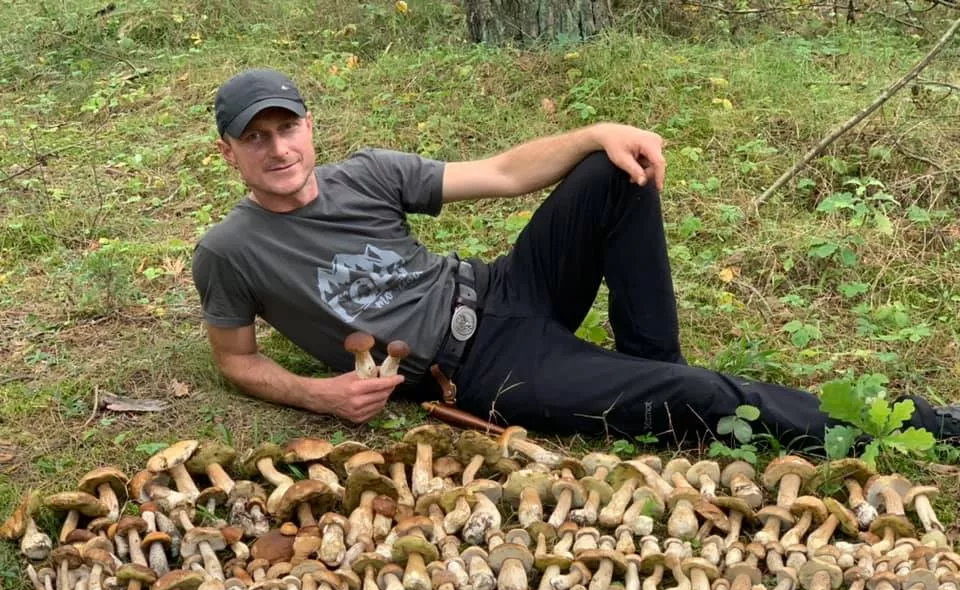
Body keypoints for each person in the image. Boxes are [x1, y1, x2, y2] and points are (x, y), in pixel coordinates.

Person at [193, 68, 960, 450]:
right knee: (705, 394)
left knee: (613, 171)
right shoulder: (231, 251)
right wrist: (318, 395)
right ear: (229, 152)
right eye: (255, 138)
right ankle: (922, 425)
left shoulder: (366, 174)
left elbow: (501, 173)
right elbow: (236, 360)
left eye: (286, 128)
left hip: (505, 287)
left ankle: (653, 369)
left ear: (309, 126)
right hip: (480, 369)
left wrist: (597, 133)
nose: (278, 149)